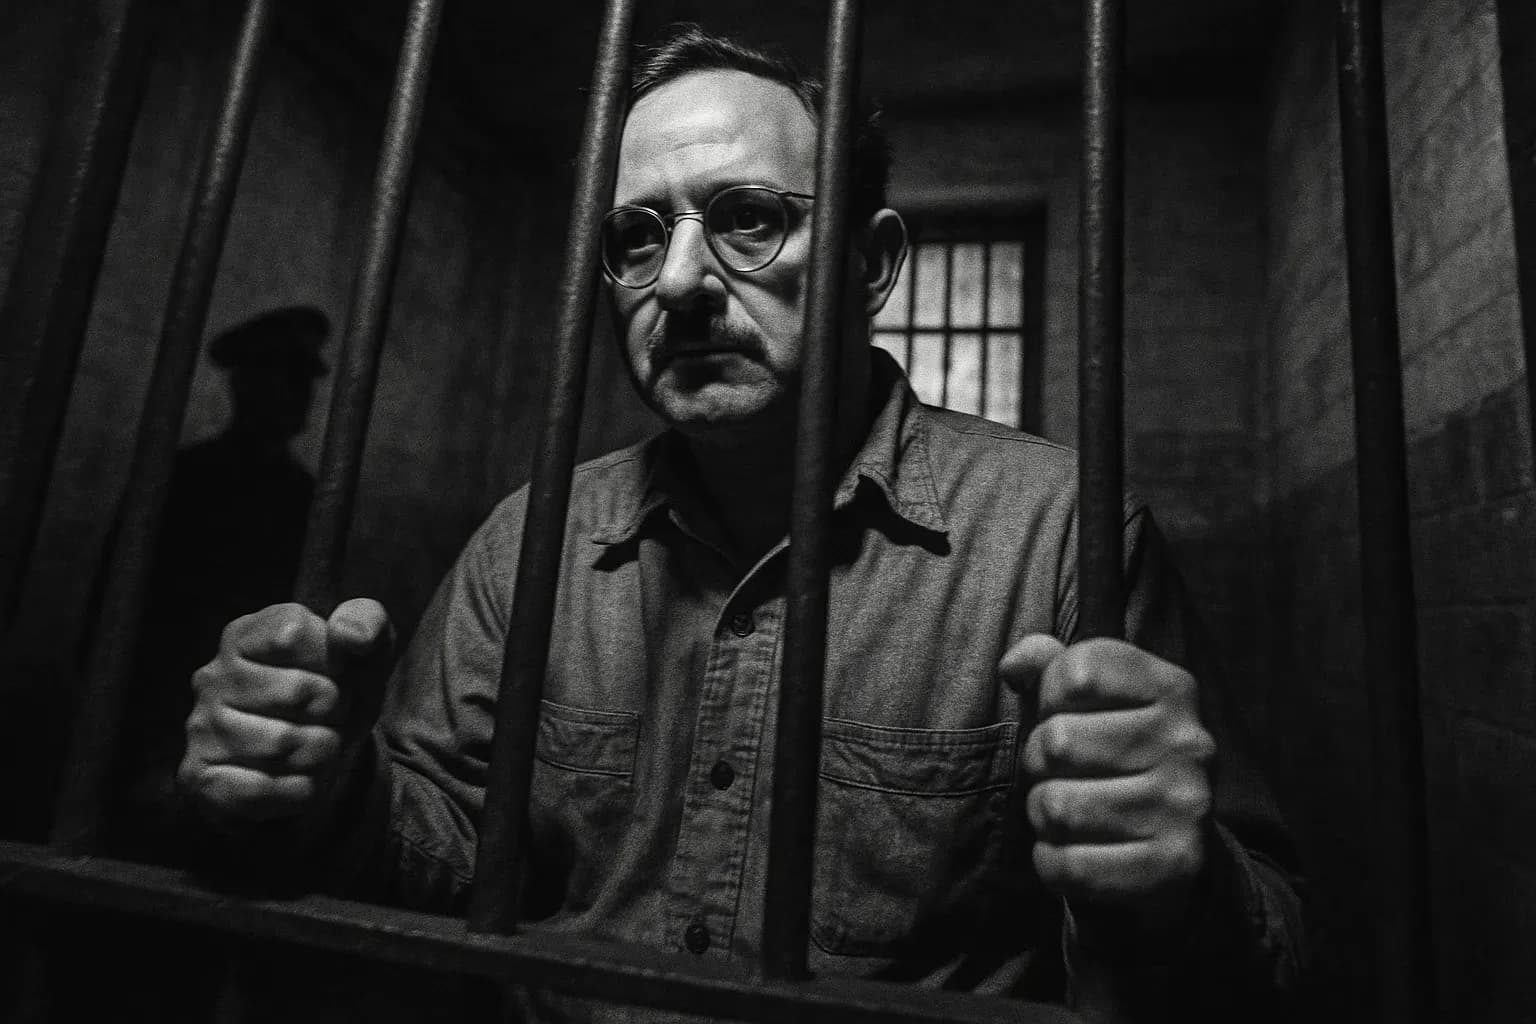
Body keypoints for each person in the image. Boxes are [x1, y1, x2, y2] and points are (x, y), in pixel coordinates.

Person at [176, 26, 1303, 1021]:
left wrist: (1183, 880)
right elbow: (453, 854)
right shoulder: (533, 543)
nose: (678, 280)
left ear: (869, 265)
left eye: (747, 220)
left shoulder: (1058, 536)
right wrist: (328, 797)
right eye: (633, 237)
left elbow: (1277, 948)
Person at [110, 306, 329, 860]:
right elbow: (116, 621)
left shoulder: (305, 497)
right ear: (245, 383)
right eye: (287, 375)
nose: (301, 393)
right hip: (158, 734)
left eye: (306, 378)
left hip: (260, 744)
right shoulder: (184, 480)